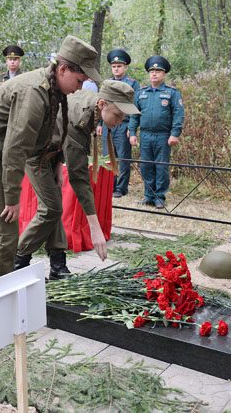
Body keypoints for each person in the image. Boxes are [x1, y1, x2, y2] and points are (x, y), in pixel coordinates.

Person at [0, 35, 103, 281]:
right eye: (80, 80)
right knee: (4, 233)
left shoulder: (54, 89)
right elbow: (16, 147)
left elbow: (51, 134)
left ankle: (6, 291)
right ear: (64, 69)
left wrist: (56, 163)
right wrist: (12, 197)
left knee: (9, 232)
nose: (81, 87)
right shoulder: (35, 92)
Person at [15, 80, 139, 279]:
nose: (120, 120)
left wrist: (57, 162)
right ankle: (18, 260)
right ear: (102, 104)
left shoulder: (92, 106)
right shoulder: (82, 115)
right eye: (118, 114)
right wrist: (95, 229)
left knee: (55, 206)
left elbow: (61, 133)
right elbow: (78, 177)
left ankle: (57, 266)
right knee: (51, 209)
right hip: (35, 152)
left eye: (124, 116)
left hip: (51, 151)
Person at [128, 56, 184, 208]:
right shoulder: (141, 93)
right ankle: (148, 195)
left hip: (162, 136)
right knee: (146, 166)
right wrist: (132, 132)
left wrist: (175, 134)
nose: (154, 74)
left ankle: (159, 196)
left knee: (161, 166)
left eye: (158, 71)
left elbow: (178, 115)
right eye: (151, 71)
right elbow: (134, 114)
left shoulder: (172, 93)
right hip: (145, 135)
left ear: (164, 74)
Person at [98, 49, 139, 199]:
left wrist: (132, 128)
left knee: (122, 159)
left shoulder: (133, 84)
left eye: (119, 66)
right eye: (114, 66)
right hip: (108, 126)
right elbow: (101, 104)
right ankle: (109, 185)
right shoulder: (107, 83)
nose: (116, 69)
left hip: (123, 126)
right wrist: (99, 123)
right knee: (107, 157)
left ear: (125, 67)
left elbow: (135, 107)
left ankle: (121, 188)